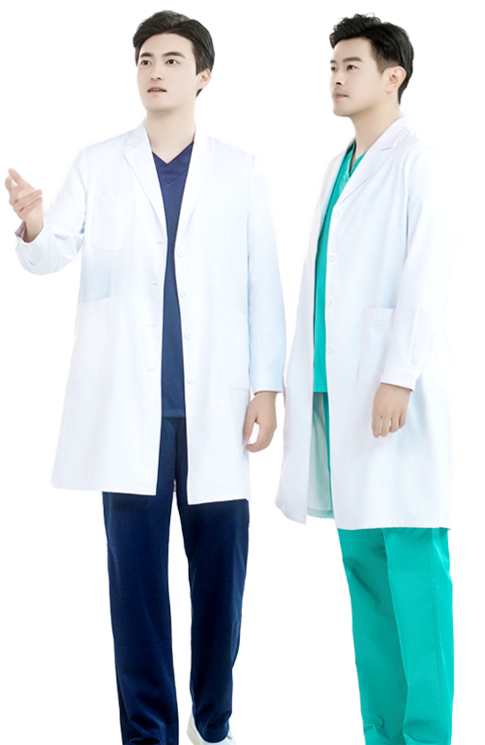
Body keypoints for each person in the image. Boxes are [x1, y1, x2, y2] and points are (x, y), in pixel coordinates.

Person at [7, 12, 285, 745]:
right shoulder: (101, 167)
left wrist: (267, 387)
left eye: (172, 59)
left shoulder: (242, 171)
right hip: (129, 406)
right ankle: (149, 729)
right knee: (133, 581)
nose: (156, 71)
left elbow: (265, 284)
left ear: (202, 77)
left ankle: (213, 720)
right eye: (145, 60)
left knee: (222, 575)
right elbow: (55, 256)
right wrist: (33, 224)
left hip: (219, 404)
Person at [273, 15, 456, 745]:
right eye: (333, 67)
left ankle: (427, 733)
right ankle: (381, 731)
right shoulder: (340, 164)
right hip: (338, 395)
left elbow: (428, 272)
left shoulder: (418, 158)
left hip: (390, 394)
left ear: (392, 76)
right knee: (363, 568)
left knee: (413, 562)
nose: (337, 79)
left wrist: (399, 375)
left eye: (351, 65)